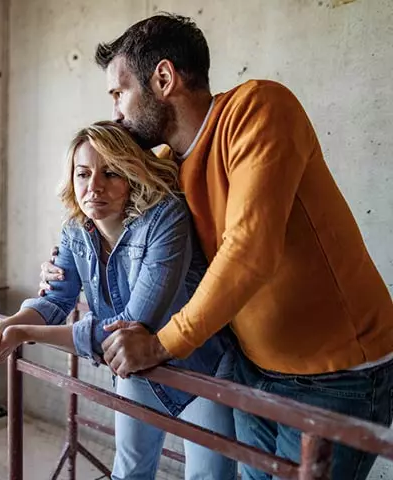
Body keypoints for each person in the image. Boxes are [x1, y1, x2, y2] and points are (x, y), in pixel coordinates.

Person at [39, 13, 393, 480]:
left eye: (119, 93)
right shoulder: (169, 164)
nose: (116, 113)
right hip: (254, 368)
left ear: (163, 78)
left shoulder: (258, 109)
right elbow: (123, 234)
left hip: (337, 376)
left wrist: (162, 343)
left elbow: (249, 249)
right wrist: (65, 266)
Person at [0, 121, 237, 480]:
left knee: (209, 478)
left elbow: (132, 325)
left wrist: (24, 335)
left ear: (132, 175)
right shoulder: (75, 230)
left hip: (200, 371)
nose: (93, 187)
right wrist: (7, 326)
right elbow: (55, 300)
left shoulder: (166, 219)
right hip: (135, 370)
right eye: (82, 174)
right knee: (128, 474)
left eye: (110, 173)